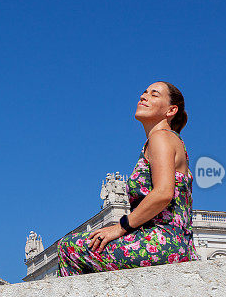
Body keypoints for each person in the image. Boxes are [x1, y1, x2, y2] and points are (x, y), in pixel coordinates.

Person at [57, 81, 197, 276]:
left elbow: (163, 193)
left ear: (171, 110)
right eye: (144, 92)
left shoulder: (161, 137)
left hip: (164, 241)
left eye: (154, 94)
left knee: (69, 248)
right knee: (88, 247)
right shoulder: (165, 139)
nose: (144, 96)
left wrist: (120, 227)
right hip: (172, 241)